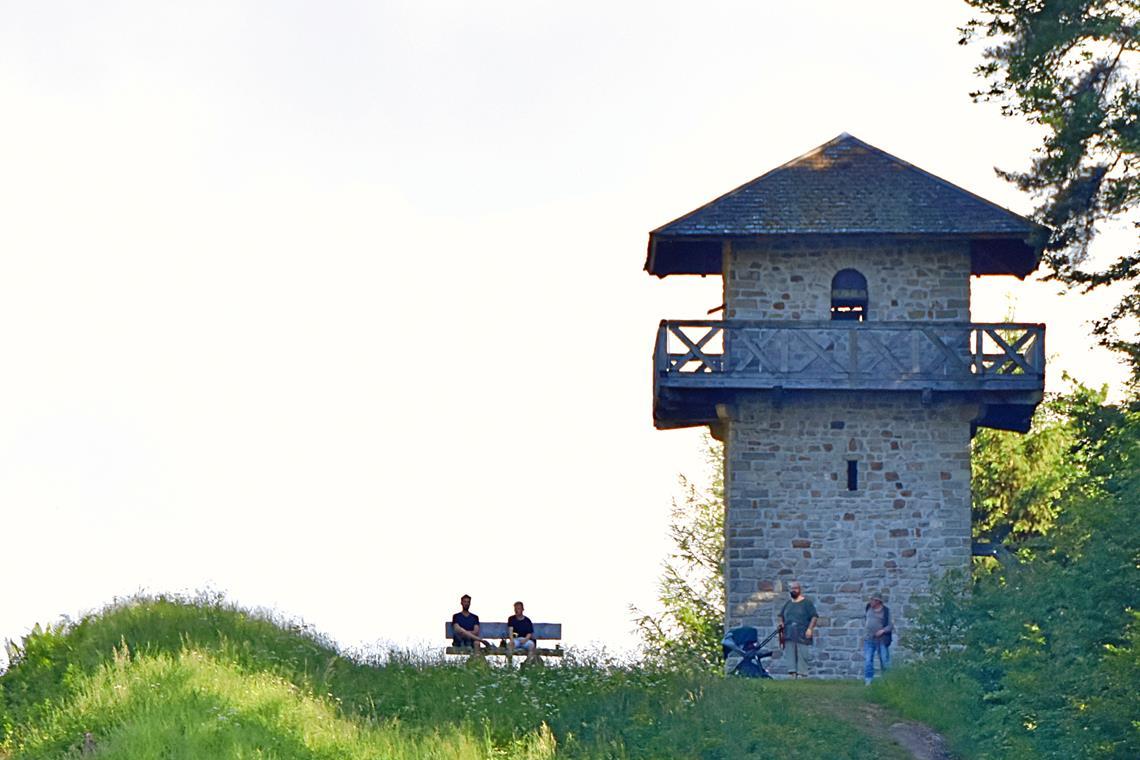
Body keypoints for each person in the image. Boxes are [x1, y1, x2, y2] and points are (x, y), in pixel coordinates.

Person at [777, 581, 818, 677]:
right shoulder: (788, 604)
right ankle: (792, 674)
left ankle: (802, 674)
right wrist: (781, 624)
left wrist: (810, 629)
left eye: (795, 588)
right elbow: (780, 616)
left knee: (802, 653)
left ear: (799, 589)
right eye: (792, 588)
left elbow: (814, 617)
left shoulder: (807, 603)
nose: (793, 590)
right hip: (789, 633)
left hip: (802, 632)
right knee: (790, 654)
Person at [863, 593, 892, 685]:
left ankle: (887, 681)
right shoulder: (868, 607)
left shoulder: (886, 611)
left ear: (878, 601)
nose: (870, 601)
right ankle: (868, 681)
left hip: (881, 640)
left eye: (872, 600)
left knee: (884, 660)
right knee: (868, 660)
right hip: (869, 639)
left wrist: (882, 631)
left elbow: (890, 626)